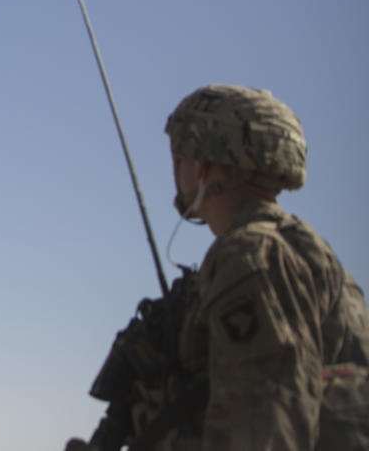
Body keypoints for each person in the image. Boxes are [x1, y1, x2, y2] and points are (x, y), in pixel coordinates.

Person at [71, 84, 369, 451]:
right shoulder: (297, 247)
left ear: (203, 163)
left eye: (180, 156)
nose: (175, 169)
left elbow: (266, 426)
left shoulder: (250, 257)